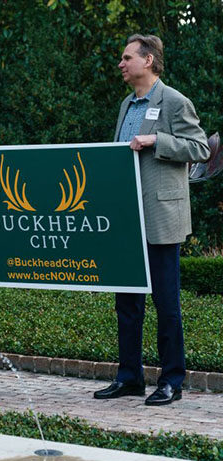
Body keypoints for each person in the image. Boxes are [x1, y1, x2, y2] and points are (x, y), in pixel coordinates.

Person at [93, 35, 210, 406]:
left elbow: (200, 148)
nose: (121, 64)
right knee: (127, 304)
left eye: (127, 58)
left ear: (148, 61)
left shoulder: (174, 101)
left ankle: (172, 380)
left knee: (166, 304)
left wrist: (156, 140)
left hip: (161, 218)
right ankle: (129, 377)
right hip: (126, 220)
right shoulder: (126, 104)